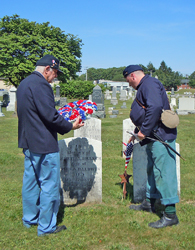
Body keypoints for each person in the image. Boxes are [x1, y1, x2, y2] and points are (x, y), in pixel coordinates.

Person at [17, 54, 84, 236]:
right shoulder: (41, 85)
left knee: (30, 183)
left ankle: (30, 219)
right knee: (49, 185)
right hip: (44, 143)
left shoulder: (24, 83)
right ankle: (46, 227)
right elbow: (50, 116)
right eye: (55, 73)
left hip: (28, 141)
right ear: (47, 69)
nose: (55, 77)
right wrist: (70, 125)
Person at [123, 65, 179, 228]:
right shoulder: (145, 85)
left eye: (128, 81)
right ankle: (149, 202)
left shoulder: (149, 84)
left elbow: (154, 108)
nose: (129, 85)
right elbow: (145, 111)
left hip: (159, 136)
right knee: (152, 170)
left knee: (163, 173)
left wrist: (144, 131)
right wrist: (137, 132)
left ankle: (170, 214)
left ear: (132, 76)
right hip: (151, 135)